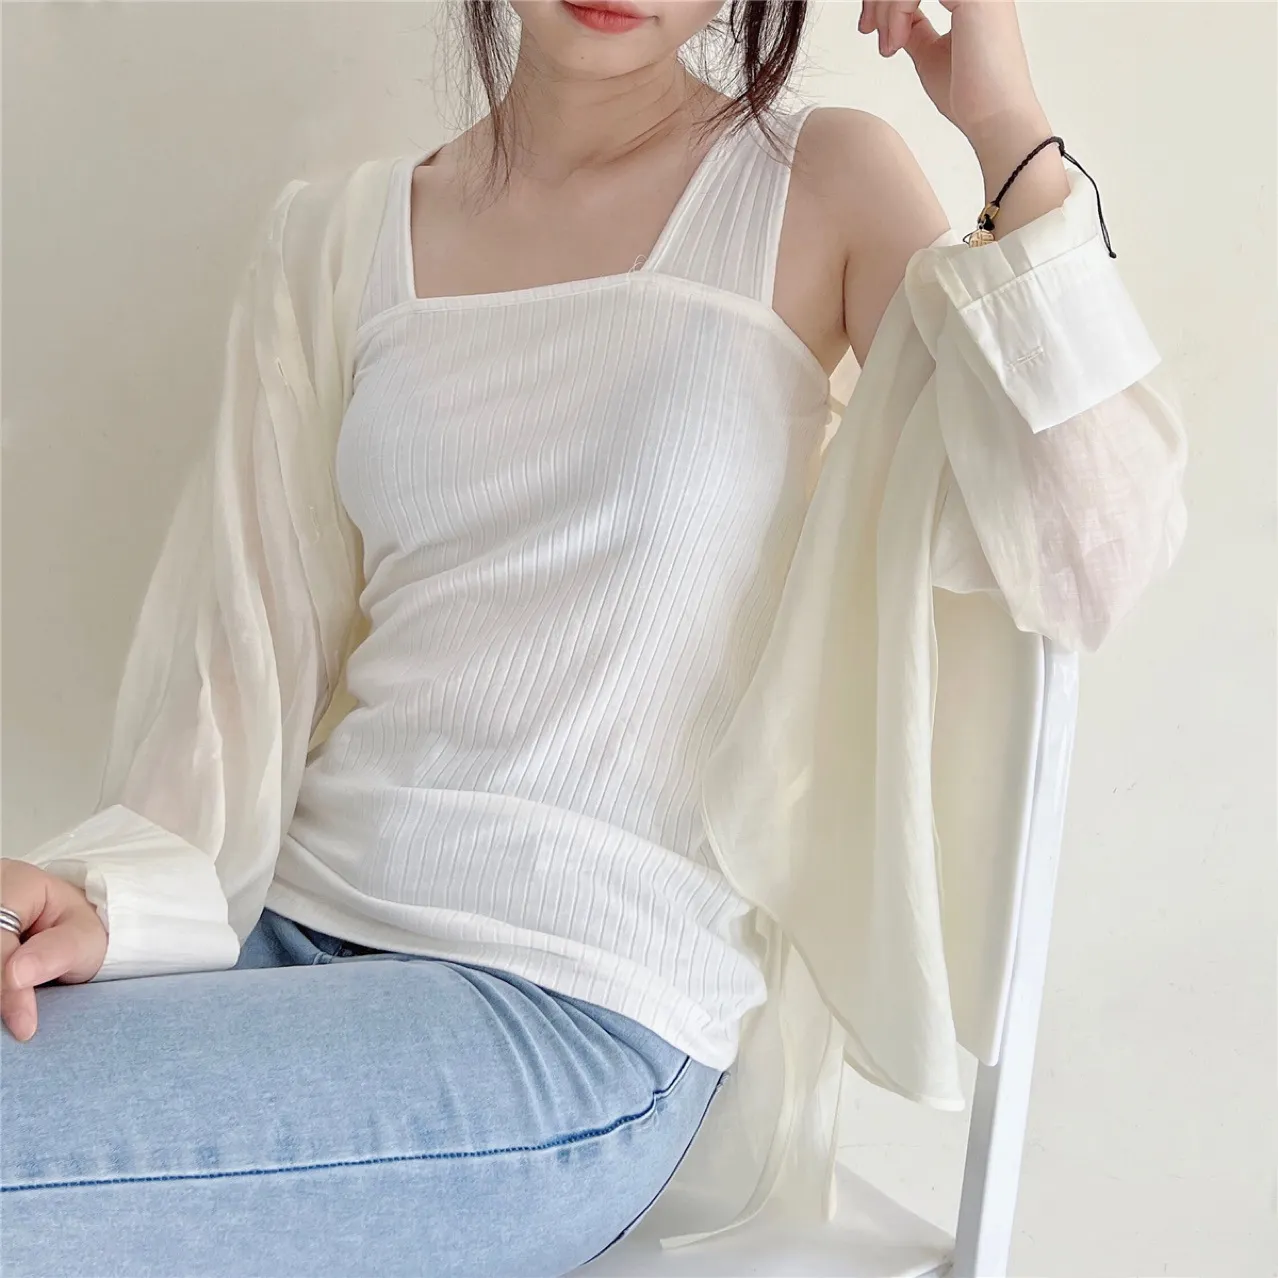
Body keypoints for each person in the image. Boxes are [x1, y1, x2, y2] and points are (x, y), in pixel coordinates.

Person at [0, 2, 1187, 1275]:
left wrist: (1007, 125)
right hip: (280, 935)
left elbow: (1094, 556)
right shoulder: (333, 238)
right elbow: (240, 670)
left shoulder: (818, 184)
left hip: (570, 1007)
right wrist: (116, 899)